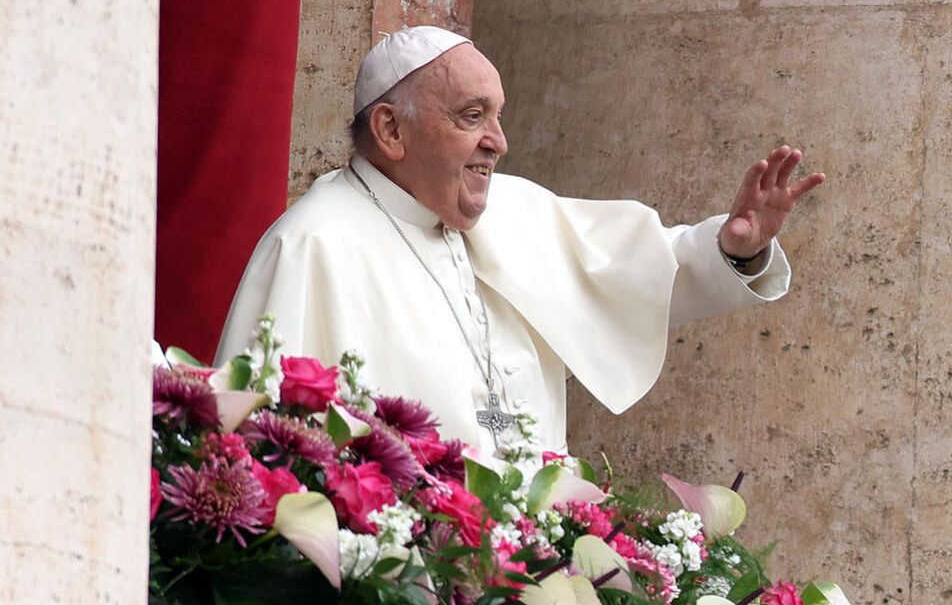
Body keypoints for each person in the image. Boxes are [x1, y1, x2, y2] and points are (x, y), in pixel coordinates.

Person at [216, 26, 825, 454]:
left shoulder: (515, 211)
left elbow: (643, 269)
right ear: (391, 129)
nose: (499, 142)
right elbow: (255, 443)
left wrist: (736, 247)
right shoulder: (313, 245)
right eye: (472, 116)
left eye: (498, 116)